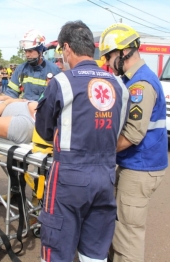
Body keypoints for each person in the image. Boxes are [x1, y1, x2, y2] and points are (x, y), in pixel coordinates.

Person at [35, 20, 130, 262]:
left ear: (66, 48)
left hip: (69, 177)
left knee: (57, 248)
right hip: (106, 176)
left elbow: (44, 129)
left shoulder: (62, 82)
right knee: (95, 252)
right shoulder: (119, 85)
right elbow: (118, 127)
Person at [99, 23, 168, 262]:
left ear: (123, 52)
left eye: (109, 56)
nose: (107, 63)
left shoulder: (140, 85)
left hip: (140, 167)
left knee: (127, 236)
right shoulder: (134, 80)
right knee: (119, 226)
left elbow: (132, 134)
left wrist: (101, 151)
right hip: (137, 165)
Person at [1, 29, 61, 101]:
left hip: (45, 111)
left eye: (30, 51)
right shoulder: (20, 69)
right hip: (24, 109)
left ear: (40, 51)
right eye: (25, 51)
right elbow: (11, 93)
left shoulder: (55, 70)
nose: (27, 55)